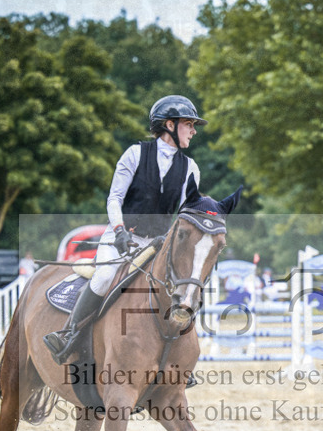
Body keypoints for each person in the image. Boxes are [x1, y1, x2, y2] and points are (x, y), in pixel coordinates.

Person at [43, 95, 206, 364]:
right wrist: (119, 229)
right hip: (123, 236)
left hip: (158, 244)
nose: (193, 130)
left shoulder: (191, 169)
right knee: (105, 276)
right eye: (189, 124)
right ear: (169, 125)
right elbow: (115, 198)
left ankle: (180, 356)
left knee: (184, 286)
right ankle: (69, 335)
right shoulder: (135, 153)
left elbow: (185, 213)